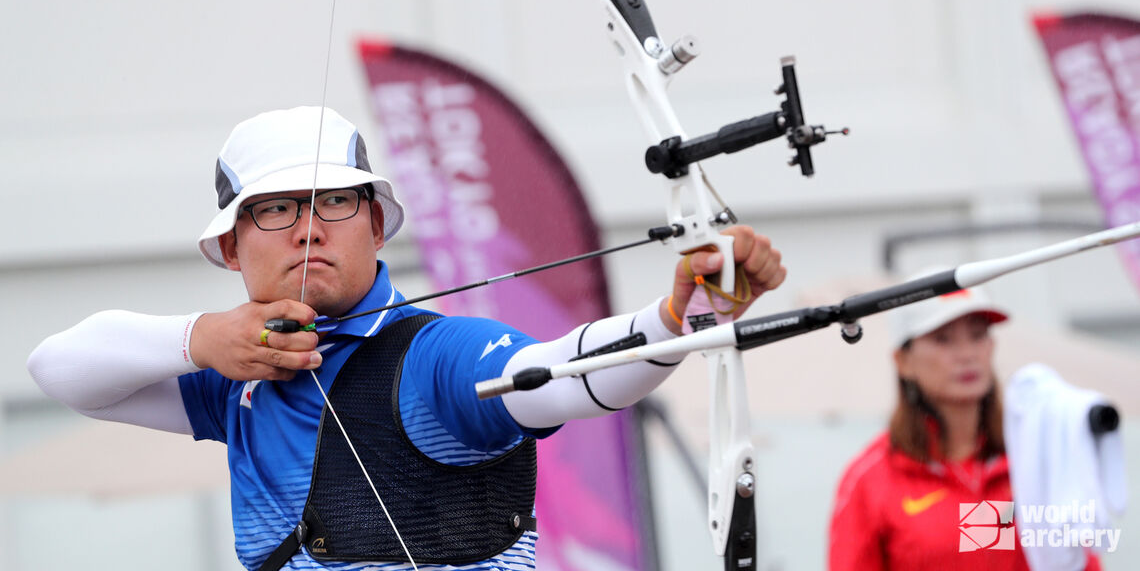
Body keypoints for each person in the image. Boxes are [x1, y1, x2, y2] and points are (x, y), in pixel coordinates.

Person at [27, 105, 786, 571]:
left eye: (334, 203)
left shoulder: (434, 361)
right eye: (276, 209)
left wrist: (679, 318)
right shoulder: (235, 376)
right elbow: (59, 370)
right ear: (232, 247)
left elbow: (558, 375)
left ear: (375, 223)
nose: (309, 228)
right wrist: (200, 339)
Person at [827, 283, 1102, 571]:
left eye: (977, 335)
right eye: (943, 339)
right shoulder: (870, 479)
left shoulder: (1033, 459)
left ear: (992, 346)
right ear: (903, 361)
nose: (967, 354)